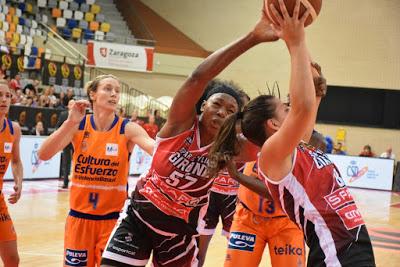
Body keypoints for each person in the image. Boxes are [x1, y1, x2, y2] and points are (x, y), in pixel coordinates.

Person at [100, 9, 278, 267]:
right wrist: (252, 37)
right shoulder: (180, 124)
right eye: (217, 104)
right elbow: (198, 77)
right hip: (140, 215)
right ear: (203, 104)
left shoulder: (232, 146)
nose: (222, 112)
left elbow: (275, 144)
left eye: (231, 111)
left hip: (179, 231)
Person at [208, 1, 375, 266]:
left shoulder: (297, 147)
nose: (291, 110)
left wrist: (301, 51)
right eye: (285, 109)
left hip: (350, 242)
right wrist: (295, 40)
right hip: (334, 248)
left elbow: (310, 99)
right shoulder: (272, 155)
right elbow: (304, 106)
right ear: (273, 125)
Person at [38, 74, 155, 267]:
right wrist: (70, 122)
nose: (114, 94)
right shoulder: (78, 126)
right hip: (79, 220)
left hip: (113, 221)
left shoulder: (128, 128)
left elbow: (156, 149)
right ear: (92, 94)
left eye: (117, 91)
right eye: (108, 89)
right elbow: (43, 154)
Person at [197, 85, 250, 267]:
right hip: (210, 196)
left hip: (235, 198)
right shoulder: (212, 132)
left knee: (236, 254)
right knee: (199, 251)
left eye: (232, 110)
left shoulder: (246, 138)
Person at [0, 80, 23, 267]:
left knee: (12, 259)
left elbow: (15, 161)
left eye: (7, 96)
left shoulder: (13, 128)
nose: (4, 99)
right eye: (0, 95)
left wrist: (18, 181)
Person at [56, 99, 75, 189]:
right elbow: (58, 127)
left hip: (76, 141)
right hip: (66, 141)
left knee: (77, 162)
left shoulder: (79, 115)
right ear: (68, 106)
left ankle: (76, 181)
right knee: (66, 162)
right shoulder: (63, 114)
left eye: (74, 104)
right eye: (71, 104)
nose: (72, 105)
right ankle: (65, 182)